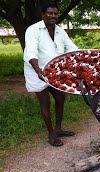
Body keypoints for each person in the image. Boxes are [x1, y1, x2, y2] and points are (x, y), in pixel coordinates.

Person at [23, 3, 78, 146]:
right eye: (50, 13)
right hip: (36, 71)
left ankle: (58, 129)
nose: (53, 16)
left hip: (54, 71)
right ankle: (51, 134)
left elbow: (71, 47)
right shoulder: (33, 30)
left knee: (60, 97)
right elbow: (30, 52)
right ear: (43, 15)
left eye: (55, 14)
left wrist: (84, 57)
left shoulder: (60, 31)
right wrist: (38, 71)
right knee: (45, 102)